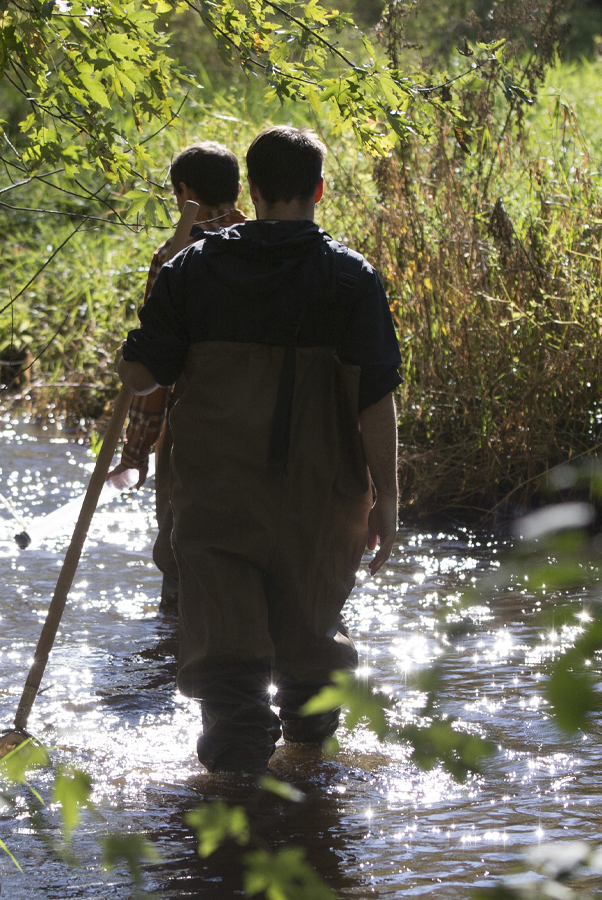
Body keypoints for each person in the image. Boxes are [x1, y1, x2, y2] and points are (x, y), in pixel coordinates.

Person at [118, 125, 401, 773]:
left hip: (218, 502)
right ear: (320, 190)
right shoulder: (352, 280)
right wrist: (388, 498)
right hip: (320, 503)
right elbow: (376, 402)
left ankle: (231, 823)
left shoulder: (191, 270)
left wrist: (140, 335)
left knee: (230, 677)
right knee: (310, 669)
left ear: (251, 187)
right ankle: (308, 804)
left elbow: (141, 378)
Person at [109, 141, 250, 616]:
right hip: (263, 428)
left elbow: (154, 370)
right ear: (237, 189)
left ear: (184, 191)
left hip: (195, 432)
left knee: (184, 567)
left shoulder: (176, 255)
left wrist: (136, 451)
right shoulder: (267, 244)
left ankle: (178, 663)